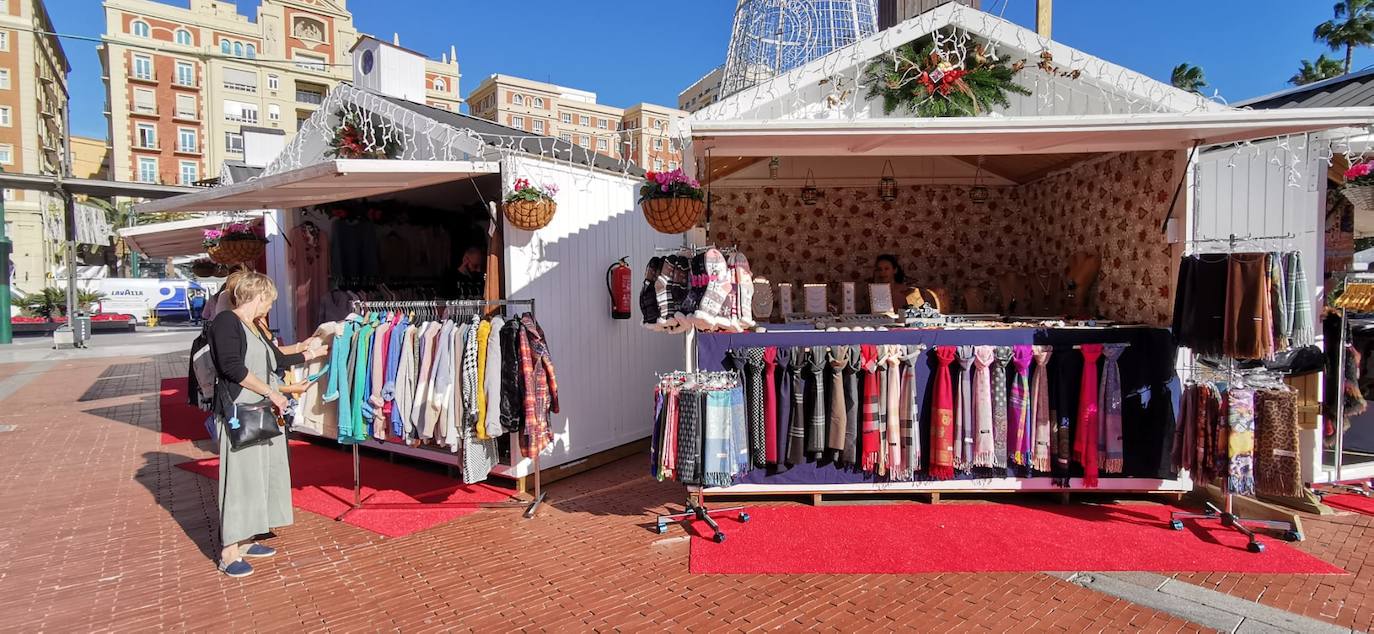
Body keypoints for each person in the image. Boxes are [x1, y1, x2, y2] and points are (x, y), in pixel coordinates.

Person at [207, 272, 327, 578]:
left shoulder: (254, 327)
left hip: (259, 410)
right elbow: (233, 368)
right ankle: (229, 551)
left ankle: (248, 537)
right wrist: (272, 392)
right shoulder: (226, 322)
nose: (270, 305)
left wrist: (311, 352)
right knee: (239, 479)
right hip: (241, 411)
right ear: (258, 296)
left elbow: (277, 360)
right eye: (269, 300)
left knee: (260, 475)